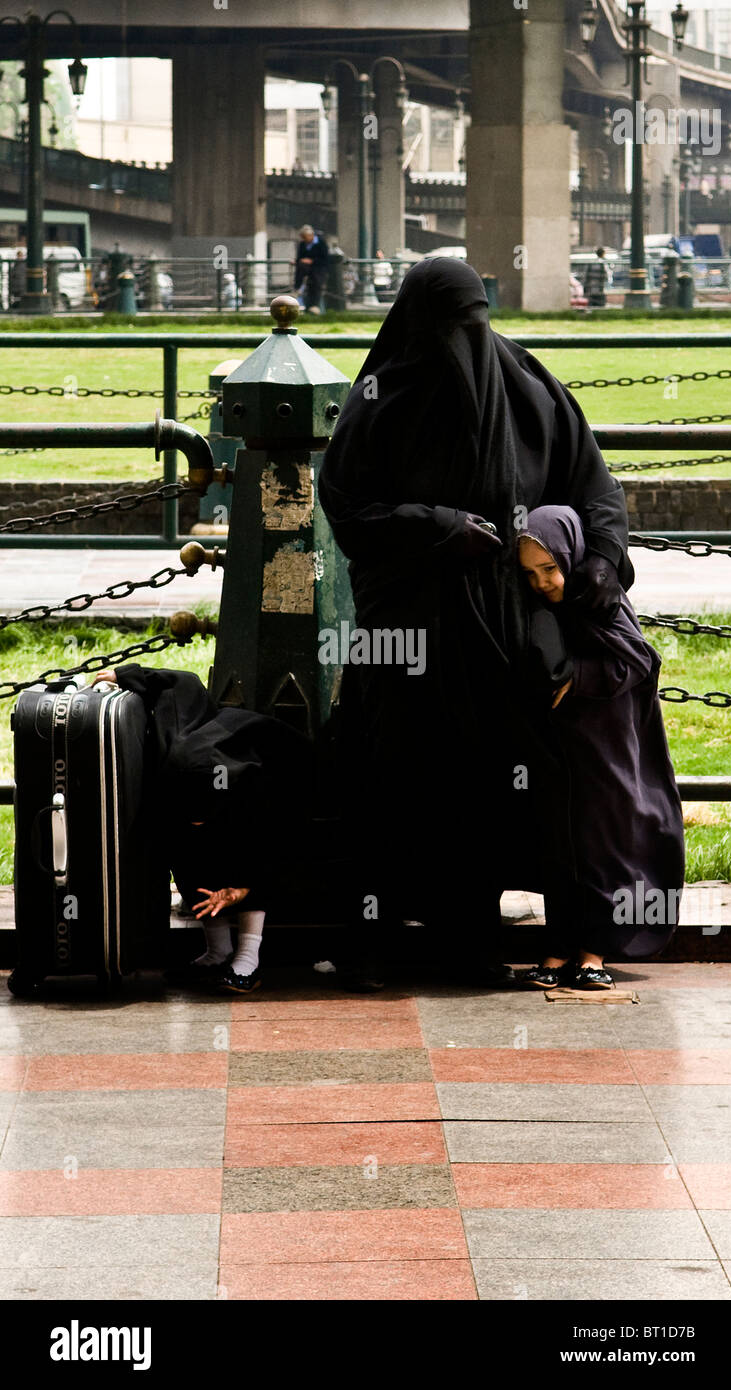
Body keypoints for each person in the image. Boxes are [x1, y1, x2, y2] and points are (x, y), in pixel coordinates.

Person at [318, 257, 635, 987]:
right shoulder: (381, 397)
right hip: (410, 632)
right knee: (399, 778)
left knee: (502, 784)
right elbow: (348, 508)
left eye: (473, 323)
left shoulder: (528, 386)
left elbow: (593, 488)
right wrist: (434, 525)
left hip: (507, 633)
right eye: (450, 326)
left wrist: (600, 564)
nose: (462, 342)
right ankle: (380, 941)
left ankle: (477, 940)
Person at [516, 505, 685, 988]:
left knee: (604, 845)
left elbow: (636, 661)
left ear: (570, 557)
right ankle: (558, 948)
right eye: (530, 574)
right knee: (562, 847)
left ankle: (594, 952)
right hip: (563, 751)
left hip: (609, 746)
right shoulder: (541, 610)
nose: (543, 582)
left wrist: (578, 676)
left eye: (549, 569)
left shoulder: (600, 601)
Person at [91, 664, 311, 994]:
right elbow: (182, 682)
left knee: (239, 863)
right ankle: (217, 952)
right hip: (200, 791)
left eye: (201, 819)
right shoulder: (175, 746)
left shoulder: (254, 789)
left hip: (289, 781)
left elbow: (269, 844)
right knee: (184, 852)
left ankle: (248, 960)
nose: (196, 823)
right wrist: (125, 675)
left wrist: (243, 888)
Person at [294, 223, 329, 314]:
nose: (304, 240)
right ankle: (298, 289)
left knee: (316, 287)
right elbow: (300, 257)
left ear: (311, 235)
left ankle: (315, 307)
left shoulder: (321, 243)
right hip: (306, 270)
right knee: (307, 288)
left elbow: (325, 259)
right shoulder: (302, 244)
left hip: (318, 270)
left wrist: (311, 261)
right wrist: (298, 261)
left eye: (305, 237)